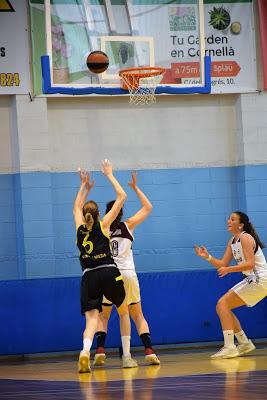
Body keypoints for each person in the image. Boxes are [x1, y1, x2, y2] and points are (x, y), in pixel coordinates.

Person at [73, 160, 138, 373]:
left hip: (89, 276)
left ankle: (85, 351)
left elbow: (75, 207)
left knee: (93, 319)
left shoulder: (80, 229)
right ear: (98, 213)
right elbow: (122, 197)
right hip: (109, 272)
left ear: (84, 215)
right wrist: (109, 174)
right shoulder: (103, 225)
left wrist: (84, 186)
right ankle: (127, 357)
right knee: (123, 312)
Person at [93, 171, 160, 366]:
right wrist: (135, 187)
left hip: (107, 275)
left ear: (107, 213)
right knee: (136, 315)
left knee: (104, 316)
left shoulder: (101, 228)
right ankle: (147, 351)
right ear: (120, 213)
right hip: (128, 274)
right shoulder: (128, 225)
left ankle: (99, 351)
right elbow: (148, 207)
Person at [195, 211, 267, 359]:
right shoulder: (232, 241)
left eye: (232, 219)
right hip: (252, 279)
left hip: (260, 279)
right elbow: (222, 264)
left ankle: (230, 347)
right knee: (223, 306)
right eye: (228, 218)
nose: (228, 220)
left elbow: (250, 263)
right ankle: (244, 342)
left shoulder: (246, 237)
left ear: (240, 225)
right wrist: (207, 256)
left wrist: (229, 270)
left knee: (222, 304)